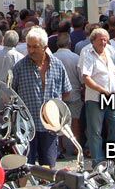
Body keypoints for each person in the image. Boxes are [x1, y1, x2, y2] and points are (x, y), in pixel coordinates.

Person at [11, 27, 71, 168]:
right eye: (29, 46)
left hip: (50, 125)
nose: (31, 50)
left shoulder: (57, 65)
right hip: (27, 126)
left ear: (45, 47)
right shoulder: (19, 67)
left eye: (35, 47)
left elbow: (66, 90)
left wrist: (51, 108)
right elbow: (11, 94)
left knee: (49, 167)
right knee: (27, 167)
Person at [79, 27, 115, 163]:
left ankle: (112, 158)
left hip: (111, 97)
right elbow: (86, 78)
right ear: (93, 40)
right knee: (95, 131)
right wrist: (101, 90)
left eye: (105, 40)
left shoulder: (110, 50)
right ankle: (97, 163)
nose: (103, 42)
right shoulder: (87, 52)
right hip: (95, 99)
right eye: (100, 40)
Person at [53, 32, 83, 148]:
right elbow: (81, 77)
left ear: (57, 44)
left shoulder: (52, 58)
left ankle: (59, 147)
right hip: (74, 93)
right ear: (69, 44)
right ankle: (76, 146)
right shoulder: (76, 58)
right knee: (75, 120)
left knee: (58, 121)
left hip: (58, 94)